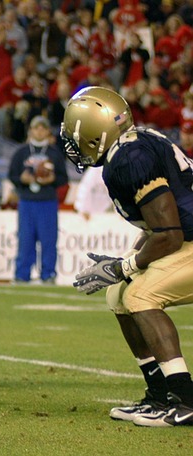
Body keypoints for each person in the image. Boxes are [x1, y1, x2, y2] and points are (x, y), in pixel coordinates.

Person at [64, 86, 193, 427]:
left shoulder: (129, 158)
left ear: (93, 134)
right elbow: (161, 225)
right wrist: (127, 264)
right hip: (186, 239)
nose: (73, 146)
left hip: (186, 240)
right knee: (118, 294)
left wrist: (126, 265)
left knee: (140, 293)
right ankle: (160, 394)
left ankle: (186, 399)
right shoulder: (133, 145)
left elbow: (169, 233)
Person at [7, 116, 68, 284]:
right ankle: (22, 274)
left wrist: (52, 179)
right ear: (31, 130)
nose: (39, 131)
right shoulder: (22, 152)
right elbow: (12, 175)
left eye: (43, 128)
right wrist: (22, 180)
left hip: (47, 200)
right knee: (25, 240)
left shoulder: (54, 153)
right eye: (36, 128)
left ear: (48, 131)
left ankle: (48, 274)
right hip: (27, 201)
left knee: (48, 240)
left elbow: (64, 178)